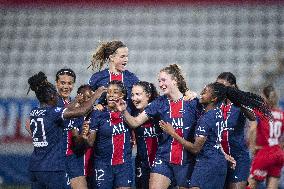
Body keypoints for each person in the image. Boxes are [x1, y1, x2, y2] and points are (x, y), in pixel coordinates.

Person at [160, 82, 271, 189]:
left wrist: (173, 133)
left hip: (206, 164)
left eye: (204, 92)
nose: (201, 94)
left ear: (213, 98)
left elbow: (195, 149)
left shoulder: (207, 118)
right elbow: (215, 141)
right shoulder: (218, 113)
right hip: (219, 162)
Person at [115, 64, 200, 189]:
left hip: (185, 160)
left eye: (163, 80)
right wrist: (124, 111)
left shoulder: (192, 102)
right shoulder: (159, 103)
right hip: (163, 158)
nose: (160, 84)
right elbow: (134, 122)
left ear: (175, 80)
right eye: (159, 81)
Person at [27, 72, 105, 189]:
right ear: (56, 84)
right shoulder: (55, 108)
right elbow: (80, 111)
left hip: (67, 157)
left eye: (69, 83)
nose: (66, 86)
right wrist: (95, 96)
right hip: (55, 161)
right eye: (62, 83)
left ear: (73, 85)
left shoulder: (38, 109)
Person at [83, 80, 133, 189]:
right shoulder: (98, 114)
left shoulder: (127, 110)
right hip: (103, 165)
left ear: (122, 95)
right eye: (109, 92)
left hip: (124, 165)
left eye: (115, 92)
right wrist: (84, 137)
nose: (111, 94)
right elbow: (90, 142)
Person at [216, 72, 256, 189]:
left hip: (238, 157)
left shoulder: (240, 103)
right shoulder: (216, 104)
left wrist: (239, 102)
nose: (219, 88)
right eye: (217, 85)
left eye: (222, 85)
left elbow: (252, 117)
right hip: (220, 158)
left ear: (232, 86)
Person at [247, 85, 284, 189]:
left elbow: (253, 129)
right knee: (272, 185)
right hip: (278, 153)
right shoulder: (281, 114)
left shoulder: (260, 111)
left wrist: (252, 147)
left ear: (264, 97)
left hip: (265, 152)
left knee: (251, 183)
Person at [130, 81, 161, 189]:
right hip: (142, 164)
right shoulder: (132, 114)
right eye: (132, 95)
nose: (134, 98)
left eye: (138, 94)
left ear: (148, 95)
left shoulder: (160, 111)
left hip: (160, 163)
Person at [65, 84, 95, 189]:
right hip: (78, 164)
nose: (90, 101)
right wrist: (83, 136)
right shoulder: (74, 117)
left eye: (91, 98)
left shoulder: (99, 115)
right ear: (80, 98)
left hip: (95, 165)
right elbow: (76, 144)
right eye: (87, 98)